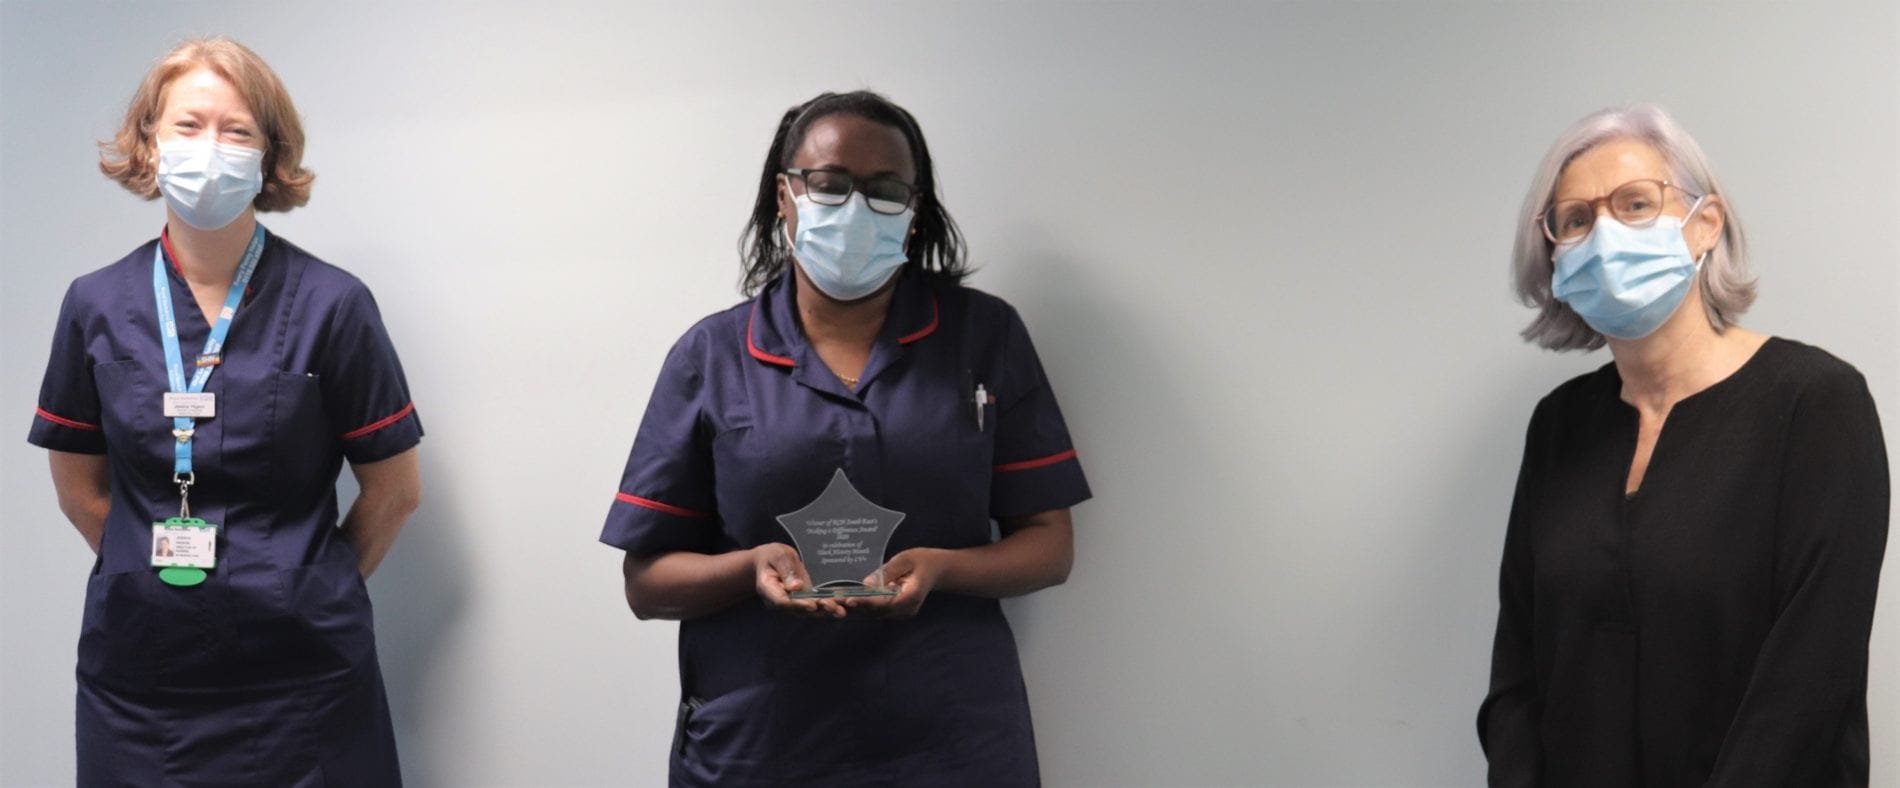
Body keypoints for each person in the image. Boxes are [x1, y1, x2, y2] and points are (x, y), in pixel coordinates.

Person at [602, 90, 1089, 786]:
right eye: (829, 184)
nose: (855, 209)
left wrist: (942, 569)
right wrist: (750, 568)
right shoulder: (711, 357)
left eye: (885, 190)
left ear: (914, 211)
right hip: (762, 745)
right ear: (784, 196)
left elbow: (1049, 545)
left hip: (951, 743)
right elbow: (647, 583)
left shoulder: (984, 338)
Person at [29, 37, 422, 786]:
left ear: (270, 156)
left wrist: (305, 584)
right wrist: (149, 576)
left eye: (236, 131)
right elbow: (79, 492)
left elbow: (395, 492)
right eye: (189, 124)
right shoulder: (95, 305)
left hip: (306, 680)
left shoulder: (334, 305)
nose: (210, 149)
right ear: (149, 141)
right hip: (141, 682)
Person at [1477, 104, 1889, 787]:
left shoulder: (1816, 405)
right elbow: (1518, 666)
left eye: (1635, 204)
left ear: (1705, 224)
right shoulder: (1559, 426)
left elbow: (1812, 679)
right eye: (1575, 220)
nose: (1603, 236)